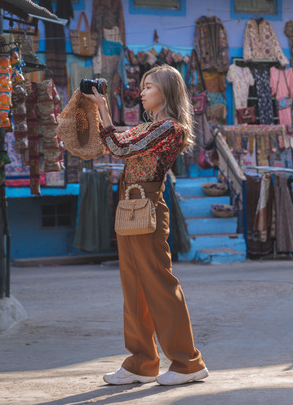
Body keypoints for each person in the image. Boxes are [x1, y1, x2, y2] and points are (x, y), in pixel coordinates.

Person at [87, 65, 209, 386]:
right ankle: (141, 362)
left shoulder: (170, 129)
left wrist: (102, 109)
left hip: (149, 205)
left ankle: (187, 362)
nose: (142, 92)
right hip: (129, 205)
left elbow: (119, 147)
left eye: (149, 87)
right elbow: (115, 142)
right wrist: (101, 110)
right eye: (142, 87)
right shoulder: (146, 127)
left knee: (158, 283)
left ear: (167, 92)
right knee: (134, 286)